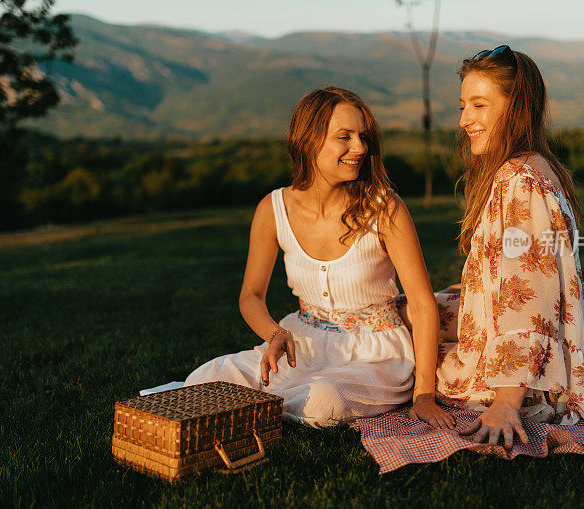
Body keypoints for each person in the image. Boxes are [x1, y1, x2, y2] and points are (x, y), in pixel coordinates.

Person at [182, 87, 455, 429]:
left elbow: (421, 302)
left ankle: (255, 409)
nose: (360, 147)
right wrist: (273, 333)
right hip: (301, 344)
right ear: (309, 141)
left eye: (362, 136)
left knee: (324, 401)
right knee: (205, 378)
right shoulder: (273, 209)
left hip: (375, 354)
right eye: (345, 137)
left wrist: (424, 395)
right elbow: (250, 295)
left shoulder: (385, 208)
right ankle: (264, 403)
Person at [433, 45, 584, 448]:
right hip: (539, 360)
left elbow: (528, 295)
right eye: (464, 106)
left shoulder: (519, 181)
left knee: (403, 341)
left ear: (517, 108)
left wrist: (507, 401)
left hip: (529, 383)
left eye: (479, 105)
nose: (465, 120)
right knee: (413, 307)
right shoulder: (533, 167)